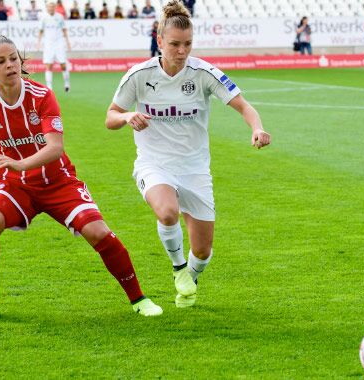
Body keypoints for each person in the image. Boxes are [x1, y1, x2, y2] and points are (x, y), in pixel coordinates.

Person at [0, 35, 162, 320]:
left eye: (14, 58)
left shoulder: (41, 96)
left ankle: (139, 298)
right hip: (15, 185)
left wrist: (20, 163)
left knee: (97, 231)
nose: (10, 65)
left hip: (58, 181)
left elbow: (55, 147)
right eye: (1, 61)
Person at [105, 0, 271, 308]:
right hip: (154, 164)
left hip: (195, 169)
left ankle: (189, 279)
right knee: (167, 212)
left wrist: (257, 129)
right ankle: (179, 267)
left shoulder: (203, 72)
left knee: (204, 251)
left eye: (188, 44)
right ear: (160, 41)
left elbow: (243, 106)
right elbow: (111, 116)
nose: (182, 51)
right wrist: (128, 117)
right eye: (175, 44)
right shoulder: (139, 75)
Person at [37, 1, 72, 92]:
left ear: (55, 7)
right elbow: (41, 31)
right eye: (49, 6)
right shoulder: (43, 18)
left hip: (59, 43)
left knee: (63, 64)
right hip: (48, 44)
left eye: (52, 6)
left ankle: (67, 83)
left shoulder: (60, 17)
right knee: (48, 65)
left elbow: (64, 30)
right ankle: (49, 87)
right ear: (47, 7)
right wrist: (38, 43)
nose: (51, 8)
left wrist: (68, 42)